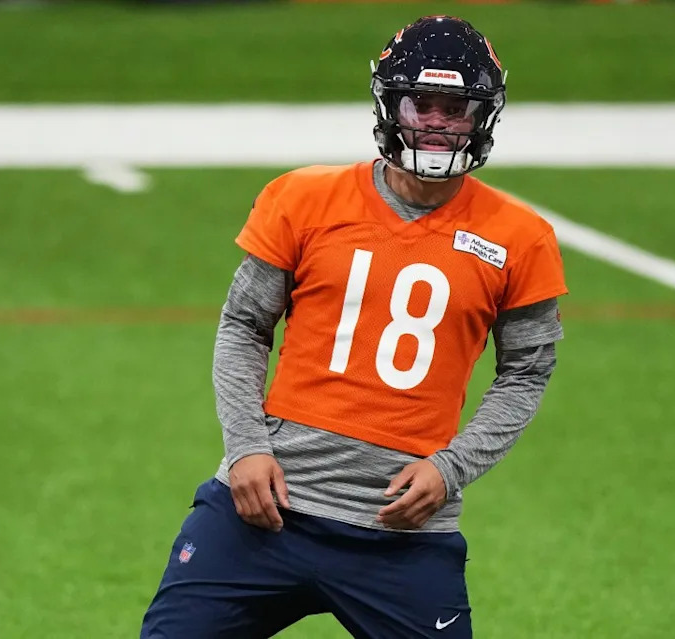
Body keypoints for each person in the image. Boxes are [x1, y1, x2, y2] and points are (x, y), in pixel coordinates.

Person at [140, 15, 568, 639]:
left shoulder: (522, 237)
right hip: (269, 506)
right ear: (392, 103)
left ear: (483, 117)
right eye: (424, 103)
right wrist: (246, 447)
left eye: (457, 107)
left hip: (402, 531)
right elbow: (243, 325)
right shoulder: (305, 198)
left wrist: (450, 468)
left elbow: (527, 373)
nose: (438, 121)